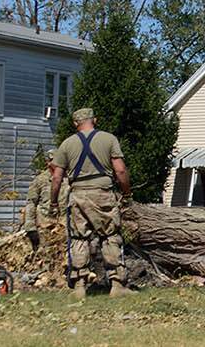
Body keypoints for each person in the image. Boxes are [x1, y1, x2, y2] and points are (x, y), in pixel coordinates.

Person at [51, 108, 132, 298]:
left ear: (75, 124)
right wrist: (126, 192)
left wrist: (54, 202)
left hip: (77, 195)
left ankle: (79, 286)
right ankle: (117, 285)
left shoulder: (66, 144)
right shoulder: (109, 139)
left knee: (79, 238)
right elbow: (120, 171)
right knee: (110, 235)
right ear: (94, 120)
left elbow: (56, 178)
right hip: (103, 194)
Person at [23, 149, 65, 251]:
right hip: (45, 228)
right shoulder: (40, 180)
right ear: (48, 162)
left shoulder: (68, 179)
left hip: (64, 229)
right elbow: (31, 203)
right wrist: (30, 228)